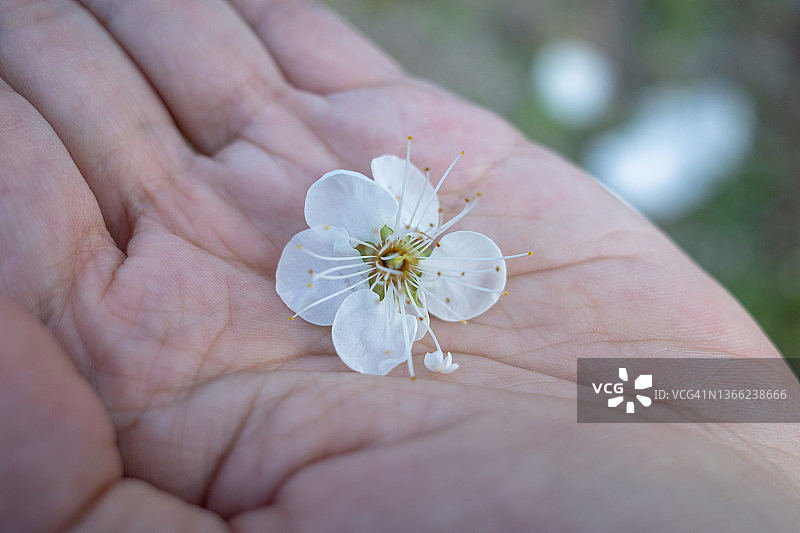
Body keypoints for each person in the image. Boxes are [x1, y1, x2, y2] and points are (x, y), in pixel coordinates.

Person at [0, 1, 797, 531]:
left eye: (400, 254)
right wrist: (743, 417)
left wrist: (746, 443)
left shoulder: (428, 278)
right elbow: (738, 404)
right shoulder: (763, 412)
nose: (395, 254)